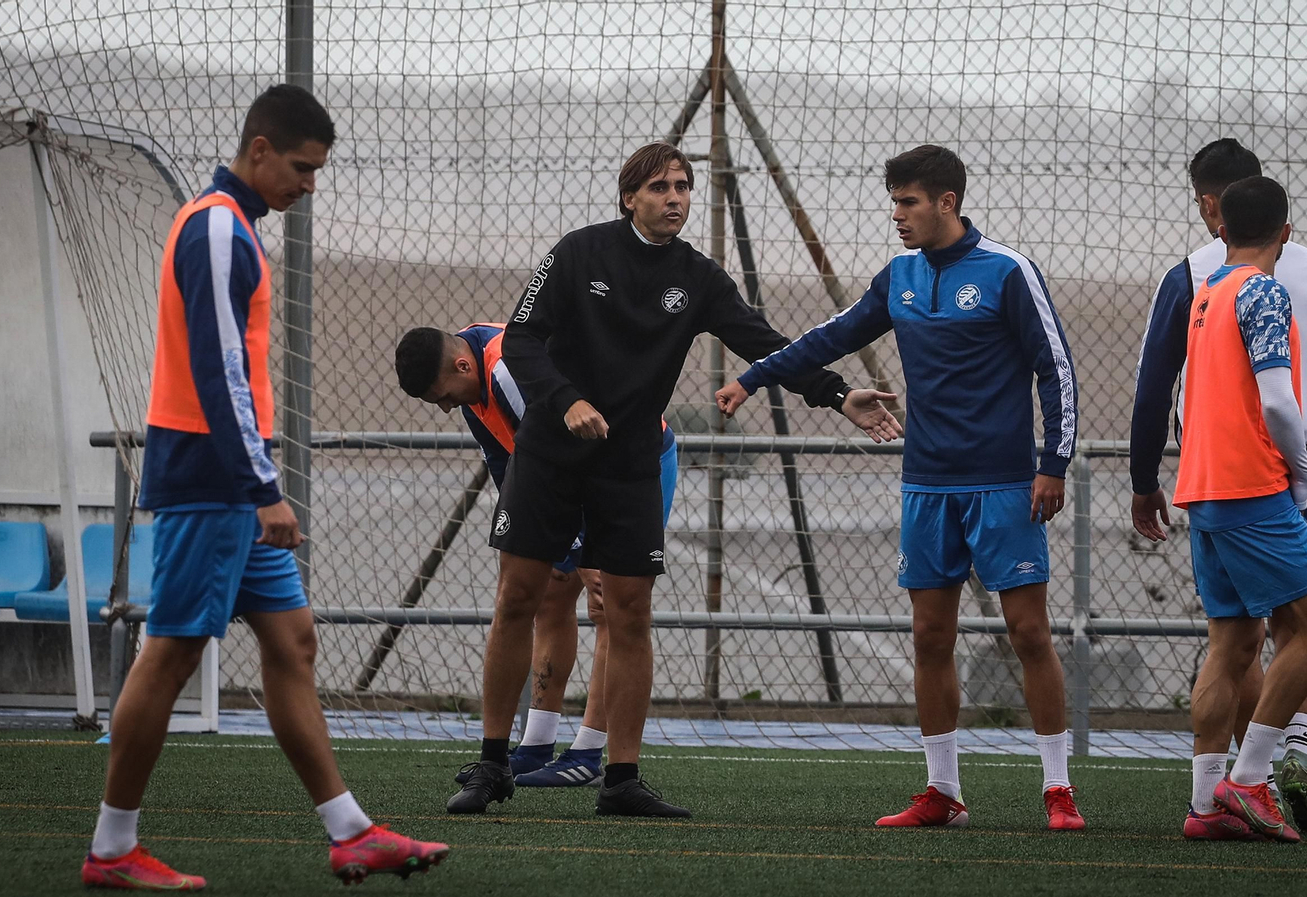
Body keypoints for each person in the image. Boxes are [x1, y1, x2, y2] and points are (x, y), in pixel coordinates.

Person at [445, 141, 900, 819]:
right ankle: (490, 763)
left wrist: (837, 395)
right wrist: (566, 400)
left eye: (683, 186)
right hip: (549, 452)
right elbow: (519, 341)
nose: (676, 197)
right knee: (519, 596)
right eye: (660, 187)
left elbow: (764, 341)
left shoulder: (698, 276)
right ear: (630, 196)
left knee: (628, 612)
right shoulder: (577, 252)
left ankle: (620, 777)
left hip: (628, 462)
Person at [81, 85, 449, 891]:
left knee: (293, 641)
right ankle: (111, 849)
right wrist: (262, 487)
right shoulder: (216, 225)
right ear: (258, 150)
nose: (309, 185)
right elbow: (217, 371)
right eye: (301, 167)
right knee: (172, 651)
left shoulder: (236, 227)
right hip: (213, 482)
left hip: (235, 483)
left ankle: (350, 831)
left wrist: (257, 482)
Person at [716, 144, 1085, 831]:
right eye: (894, 201)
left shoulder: (1007, 271)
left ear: (947, 202)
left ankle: (1058, 790)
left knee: (1029, 632)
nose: (897, 214)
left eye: (908, 201)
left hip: (1005, 483)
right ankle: (942, 792)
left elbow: (1055, 369)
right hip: (927, 484)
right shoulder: (900, 276)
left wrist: (1053, 463)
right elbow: (827, 338)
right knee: (928, 634)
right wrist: (754, 375)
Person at [1131, 139, 1307, 836]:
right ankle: (1253, 777)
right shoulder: (1265, 289)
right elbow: (1283, 403)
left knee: (1229, 640)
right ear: (1285, 230)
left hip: (1202, 485)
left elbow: (1163, 389)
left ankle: (1204, 805)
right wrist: (1304, 469)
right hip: (1259, 484)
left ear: (1218, 219)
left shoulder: (1204, 289)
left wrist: (1146, 476)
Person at [395, 322, 681, 788]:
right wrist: (529, 539)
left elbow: (579, 454)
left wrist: (587, 549)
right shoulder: (471, 381)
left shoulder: (508, 373)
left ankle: (589, 753)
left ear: (462, 365)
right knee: (549, 593)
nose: (446, 406)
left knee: (609, 603)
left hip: (627, 463)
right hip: (564, 474)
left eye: (442, 394)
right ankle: (536, 744)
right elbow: (506, 464)